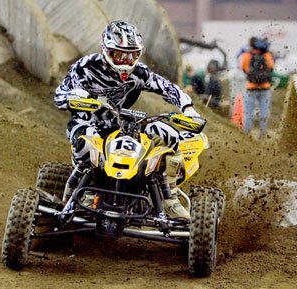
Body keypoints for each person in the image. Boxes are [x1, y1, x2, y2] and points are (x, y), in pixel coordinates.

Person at [54, 20, 202, 220]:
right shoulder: (85, 68)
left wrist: (188, 109)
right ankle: (82, 193)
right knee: (87, 141)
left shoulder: (139, 72)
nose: (125, 60)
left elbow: (169, 88)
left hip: (119, 124)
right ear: (106, 50)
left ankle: (169, 197)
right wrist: (75, 98)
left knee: (168, 134)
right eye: (120, 54)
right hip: (86, 121)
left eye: (132, 55)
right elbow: (59, 96)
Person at [240, 37, 274, 139]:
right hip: (265, 88)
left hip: (251, 88)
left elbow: (244, 69)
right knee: (264, 114)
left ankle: (247, 136)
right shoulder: (267, 55)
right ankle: (262, 135)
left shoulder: (246, 56)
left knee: (248, 114)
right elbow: (271, 68)